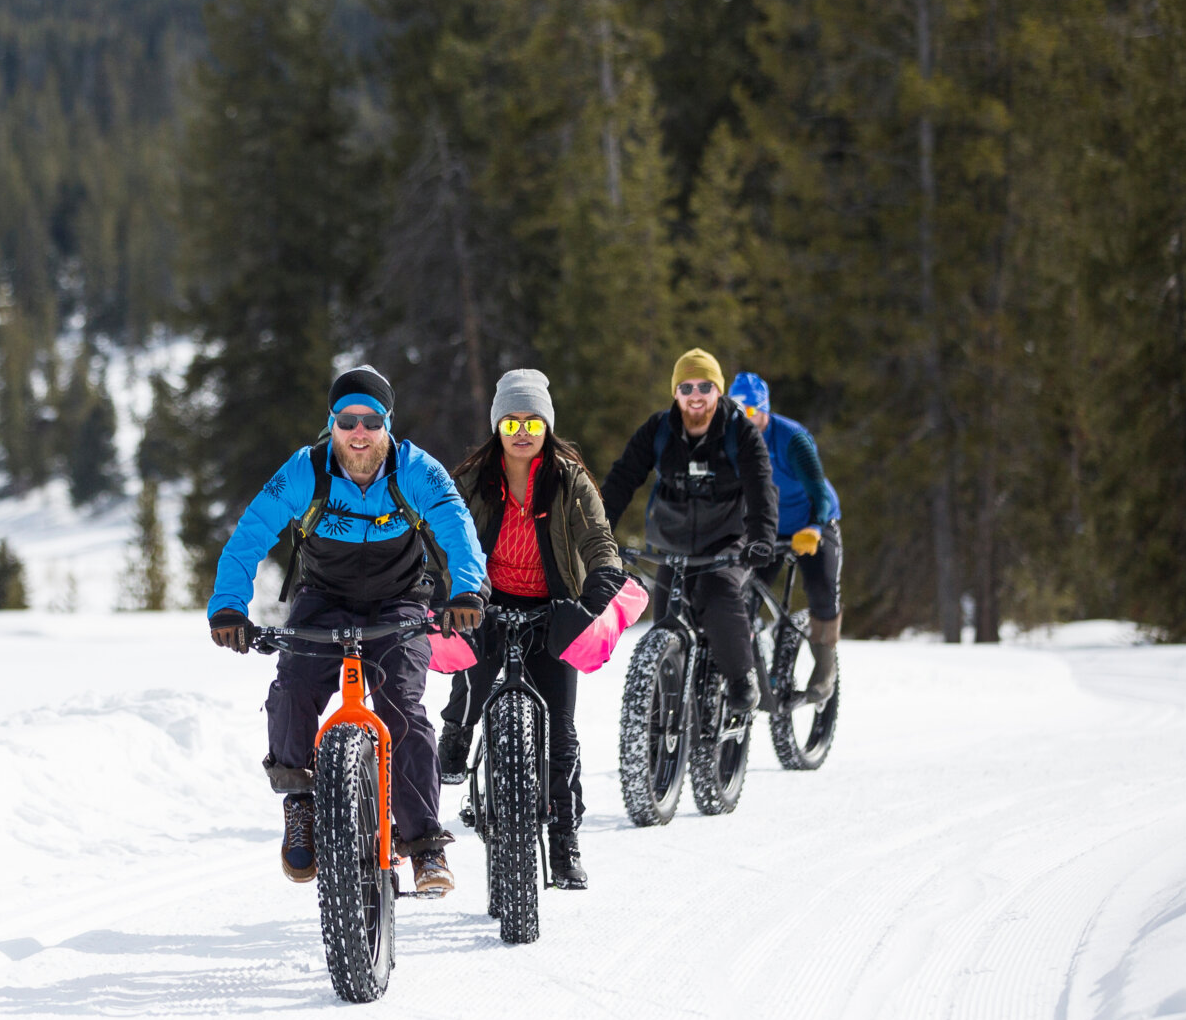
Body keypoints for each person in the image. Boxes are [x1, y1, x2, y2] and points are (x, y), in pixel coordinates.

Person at [208, 365, 487, 898]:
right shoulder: (303, 472)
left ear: (387, 424)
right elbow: (250, 534)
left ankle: (425, 846)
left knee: (403, 710)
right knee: (291, 689)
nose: (359, 432)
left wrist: (467, 590)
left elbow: (456, 526)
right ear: (331, 424)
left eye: (371, 420)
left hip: (400, 602)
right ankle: (301, 805)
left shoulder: (416, 470)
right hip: (323, 601)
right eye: (347, 420)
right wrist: (227, 606)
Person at [435, 369, 628, 890]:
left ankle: (564, 843)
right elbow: (443, 537)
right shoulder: (474, 479)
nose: (523, 431)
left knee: (561, 731)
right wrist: (441, 587)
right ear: (498, 425)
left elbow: (597, 540)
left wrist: (596, 592)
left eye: (533, 421)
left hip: (555, 609)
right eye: (512, 420)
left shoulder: (568, 477)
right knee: (471, 684)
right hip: (485, 604)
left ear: (547, 425)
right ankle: (456, 733)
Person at [599, 349, 776, 713]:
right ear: (675, 392)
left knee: (718, 592)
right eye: (686, 386)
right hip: (672, 541)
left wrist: (761, 538)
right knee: (665, 620)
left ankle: (742, 679)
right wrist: (598, 533)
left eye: (705, 386)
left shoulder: (739, 431)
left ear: (718, 391)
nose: (696, 395)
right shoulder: (658, 430)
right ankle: (657, 728)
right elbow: (622, 479)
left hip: (729, 540)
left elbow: (761, 486)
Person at [729, 372, 842, 703]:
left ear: (763, 410)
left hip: (812, 521)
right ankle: (747, 661)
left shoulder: (792, 439)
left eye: (749, 412)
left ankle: (825, 670)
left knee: (821, 590)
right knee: (739, 588)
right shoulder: (730, 440)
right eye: (735, 410)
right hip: (767, 525)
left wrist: (816, 527)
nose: (742, 419)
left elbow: (818, 490)